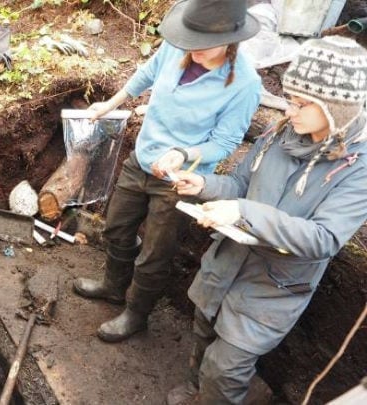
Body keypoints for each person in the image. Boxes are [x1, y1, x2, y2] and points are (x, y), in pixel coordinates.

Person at [169, 35, 367, 404]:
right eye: (290, 99)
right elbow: (242, 184)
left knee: (225, 368)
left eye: (302, 103)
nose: (289, 111)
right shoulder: (280, 132)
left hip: (271, 289)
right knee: (203, 333)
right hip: (226, 265)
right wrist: (205, 185)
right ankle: (196, 392)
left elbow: (323, 238)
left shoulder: (357, 168)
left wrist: (245, 212)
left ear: (336, 108)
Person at [73, 0, 261, 342]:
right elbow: (146, 74)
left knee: (155, 254)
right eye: (190, 42)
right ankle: (113, 286)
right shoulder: (178, 45)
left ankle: (136, 313)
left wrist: (182, 153)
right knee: (116, 228)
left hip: (179, 180)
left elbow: (226, 142)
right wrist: (110, 104)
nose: (193, 50)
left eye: (202, 46)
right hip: (142, 158)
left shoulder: (245, 85)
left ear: (230, 40)